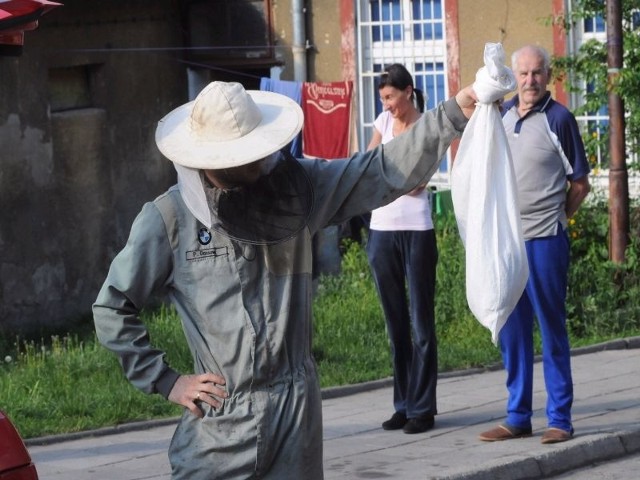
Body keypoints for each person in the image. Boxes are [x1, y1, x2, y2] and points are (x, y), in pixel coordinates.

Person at [93, 80, 477, 480]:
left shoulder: (300, 190)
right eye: (244, 157)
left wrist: (453, 114)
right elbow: (112, 307)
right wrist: (167, 380)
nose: (259, 165)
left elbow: (378, 170)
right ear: (210, 158)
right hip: (221, 426)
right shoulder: (169, 219)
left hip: (295, 416)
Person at [478, 45, 591, 445]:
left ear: (548, 76)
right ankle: (517, 415)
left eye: (537, 74)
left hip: (545, 241)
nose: (529, 81)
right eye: (523, 74)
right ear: (515, 76)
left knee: (551, 327)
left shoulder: (559, 119)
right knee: (512, 330)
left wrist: (558, 218)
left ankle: (560, 418)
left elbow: (580, 183)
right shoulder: (502, 115)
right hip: (506, 244)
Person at [365, 64, 438, 435]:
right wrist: (394, 175)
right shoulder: (383, 122)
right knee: (396, 326)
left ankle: (423, 409)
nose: (387, 105)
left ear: (408, 91)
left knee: (420, 323)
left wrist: (389, 175)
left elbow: (419, 184)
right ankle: (403, 404)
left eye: (391, 97)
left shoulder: (428, 127)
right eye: (383, 99)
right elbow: (368, 167)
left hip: (417, 231)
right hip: (382, 232)